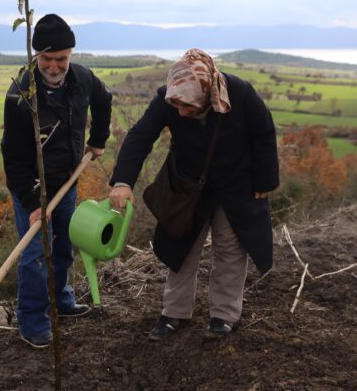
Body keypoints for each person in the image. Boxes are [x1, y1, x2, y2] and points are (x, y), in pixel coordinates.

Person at [108, 48, 279, 340]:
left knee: (229, 248)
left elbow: (264, 133)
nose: (181, 112)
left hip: (236, 183)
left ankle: (223, 316)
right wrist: (123, 181)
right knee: (181, 248)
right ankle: (174, 313)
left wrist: (264, 180)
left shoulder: (240, 93)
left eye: (189, 106)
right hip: (188, 186)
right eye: (176, 105)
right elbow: (140, 137)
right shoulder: (169, 98)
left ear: (207, 93)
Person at [1, 13, 113, 348]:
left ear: (71, 54)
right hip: (33, 188)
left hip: (67, 179)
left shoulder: (82, 78)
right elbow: (14, 157)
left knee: (64, 243)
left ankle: (61, 300)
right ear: (36, 56)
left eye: (61, 59)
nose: (53, 66)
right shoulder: (20, 95)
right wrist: (33, 204)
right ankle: (33, 322)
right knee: (36, 253)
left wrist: (98, 140)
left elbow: (104, 101)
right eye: (46, 59)